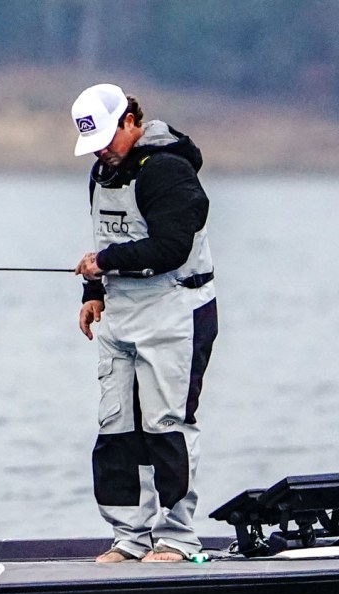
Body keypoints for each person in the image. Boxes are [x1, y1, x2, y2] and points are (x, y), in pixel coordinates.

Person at [71, 84, 218, 563]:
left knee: (166, 426)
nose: (101, 151)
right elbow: (104, 241)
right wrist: (93, 293)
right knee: (116, 429)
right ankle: (129, 538)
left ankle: (177, 537)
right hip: (120, 314)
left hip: (175, 310)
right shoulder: (102, 172)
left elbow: (171, 247)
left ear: (130, 121)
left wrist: (105, 263)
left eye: (107, 139)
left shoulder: (169, 170)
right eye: (93, 144)